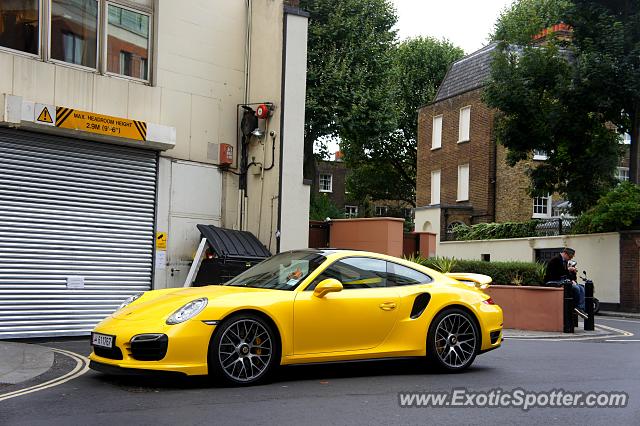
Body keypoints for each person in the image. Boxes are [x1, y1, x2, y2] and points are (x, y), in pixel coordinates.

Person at [544, 247, 587, 319]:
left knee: (581, 288)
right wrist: (568, 269)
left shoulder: (565, 261)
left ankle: (580, 308)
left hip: (561, 280)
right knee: (576, 288)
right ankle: (575, 307)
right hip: (553, 280)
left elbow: (566, 274)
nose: (570, 258)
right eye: (570, 256)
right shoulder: (556, 260)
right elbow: (557, 274)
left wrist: (572, 279)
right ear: (565, 254)